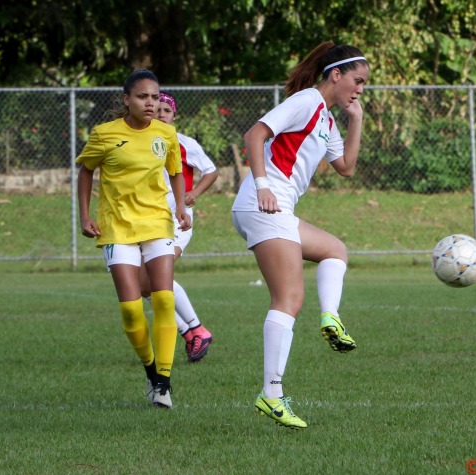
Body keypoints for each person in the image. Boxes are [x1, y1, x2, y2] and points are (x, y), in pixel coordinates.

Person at [231, 41, 369, 429]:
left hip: (278, 210)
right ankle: (271, 394)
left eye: (364, 84)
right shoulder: (307, 101)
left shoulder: (326, 118)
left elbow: (345, 167)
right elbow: (253, 135)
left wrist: (356, 119)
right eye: (356, 81)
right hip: (262, 205)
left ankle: (331, 318)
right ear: (335, 74)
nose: (360, 89)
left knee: (334, 250)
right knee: (288, 298)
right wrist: (262, 185)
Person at [76, 69, 191, 409]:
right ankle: (151, 372)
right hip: (117, 228)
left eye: (155, 97)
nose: (150, 103)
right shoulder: (105, 134)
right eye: (143, 97)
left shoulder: (166, 134)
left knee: (164, 300)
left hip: (157, 223)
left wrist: (181, 206)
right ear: (127, 100)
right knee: (130, 310)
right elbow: (85, 171)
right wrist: (85, 215)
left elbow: (176, 172)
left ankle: (165, 383)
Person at [139, 92, 219, 362]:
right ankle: (190, 333)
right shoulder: (143, 142)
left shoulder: (184, 143)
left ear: (174, 115)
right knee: (142, 284)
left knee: (156, 275)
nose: (161, 114)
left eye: (166, 110)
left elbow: (212, 170)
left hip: (176, 221)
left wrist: (195, 192)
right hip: (147, 220)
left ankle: (197, 329)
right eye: (157, 109)